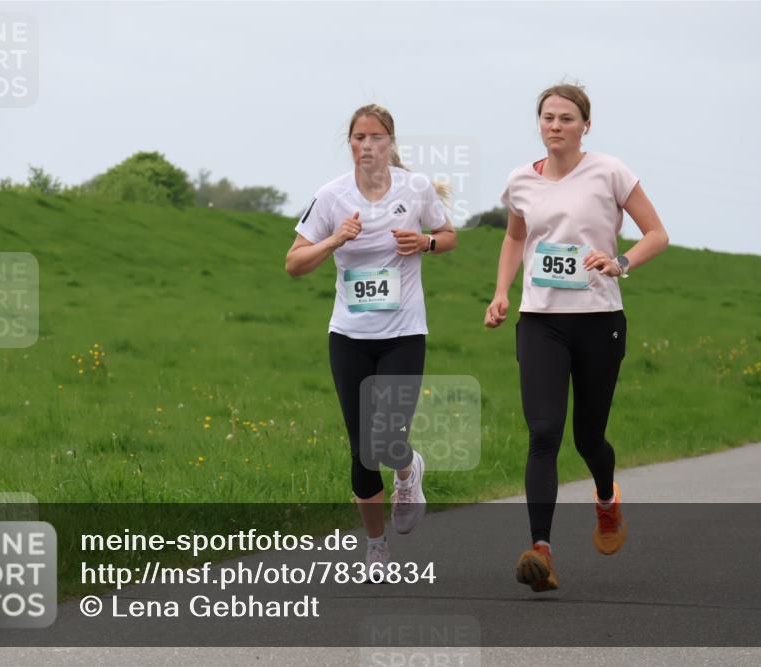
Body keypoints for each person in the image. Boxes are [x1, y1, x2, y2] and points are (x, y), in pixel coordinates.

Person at [485, 83, 668, 592]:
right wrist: (501, 292)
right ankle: (540, 550)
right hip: (541, 318)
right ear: (538, 124)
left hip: (598, 318)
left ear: (585, 125)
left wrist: (620, 262)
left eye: (567, 118)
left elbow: (657, 234)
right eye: (547, 117)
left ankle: (607, 500)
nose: (555, 126)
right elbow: (516, 236)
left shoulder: (609, 171)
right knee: (543, 432)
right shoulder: (521, 180)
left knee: (588, 437)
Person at [285, 104, 456, 578]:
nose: (366, 145)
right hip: (349, 336)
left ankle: (408, 471)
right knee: (362, 448)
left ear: (391, 142)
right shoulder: (331, 197)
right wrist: (334, 240)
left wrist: (425, 244)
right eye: (359, 137)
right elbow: (294, 264)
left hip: (403, 334)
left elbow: (448, 236)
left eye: (376, 137)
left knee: (387, 437)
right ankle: (376, 547)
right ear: (351, 144)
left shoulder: (415, 189)